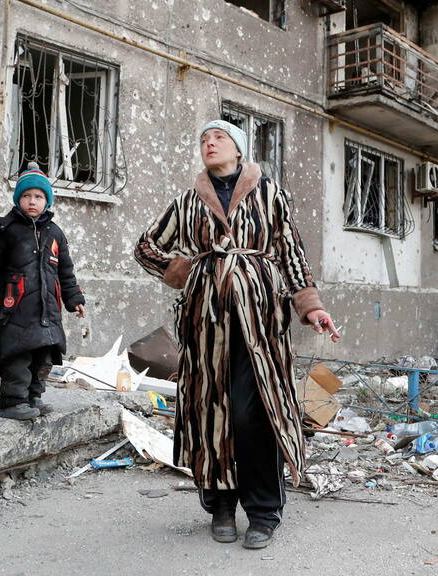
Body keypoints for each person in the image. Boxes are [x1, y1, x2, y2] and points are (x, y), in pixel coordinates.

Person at [134, 119, 340, 549]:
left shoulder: (269, 194)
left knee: (256, 413)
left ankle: (264, 511)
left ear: (239, 149)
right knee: (211, 413)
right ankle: (222, 507)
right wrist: (189, 271)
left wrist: (312, 306)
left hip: (261, 324)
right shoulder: (188, 201)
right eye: (204, 139)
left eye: (219, 137)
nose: (209, 143)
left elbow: (291, 253)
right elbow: (146, 248)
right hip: (205, 328)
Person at [0, 165, 86, 419]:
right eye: (26, 196)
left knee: (44, 356)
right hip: (17, 307)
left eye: (38, 197)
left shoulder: (56, 233)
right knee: (19, 355)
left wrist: (74, 299)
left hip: (48, 309)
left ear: (46, 201)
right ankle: (12, 403)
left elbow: (66, 272)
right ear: (18, 199)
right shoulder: (6, 229)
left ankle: (32, 397)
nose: (32, 201)